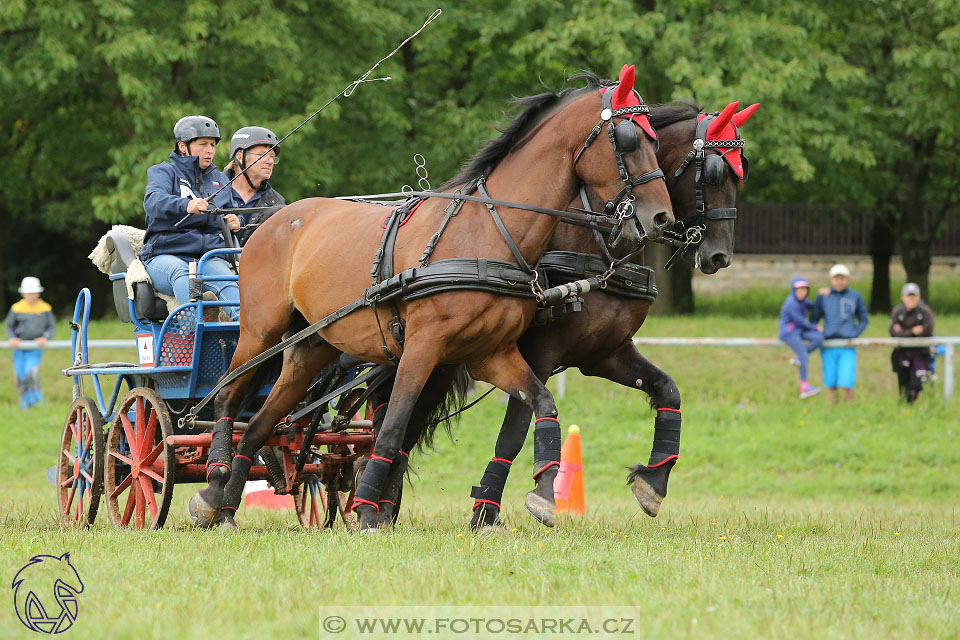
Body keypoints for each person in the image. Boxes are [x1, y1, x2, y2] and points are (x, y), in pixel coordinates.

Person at [141, 115, 240, 320]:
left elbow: (233, 212)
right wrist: (186, 205)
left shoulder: (220, 180)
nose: (210, 150)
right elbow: (153, 201)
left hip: (207, 256)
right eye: (203, 144)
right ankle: (200, 322)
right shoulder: (164, 172)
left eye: (212, 145)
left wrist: (236, 221)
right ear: (183, 146)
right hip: (166, 254)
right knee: (183, 274)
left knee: (227, 282)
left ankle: (247, 333)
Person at [812, 264, 868, 403]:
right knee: (830, 382)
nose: (839, 282)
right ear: (831, 280)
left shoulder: (854, 296)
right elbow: (814, 318)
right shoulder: (824, 296)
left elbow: (863, 318)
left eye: (842, 278)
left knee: (847, 381)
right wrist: (817, 328)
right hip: (828, 344)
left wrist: (855, 333)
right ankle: (832, 409)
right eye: (836, 279)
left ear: (847, 279)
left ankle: (848, 409)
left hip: (847, 345)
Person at [223, 126, 286, 246]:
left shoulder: (277, 203)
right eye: (263, 154)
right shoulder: (211, 189)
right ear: (240, 157)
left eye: (272, 156)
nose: (270, 161)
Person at [5, 277, 55, 410]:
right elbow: (9, 326)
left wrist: (45, 337)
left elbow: (51, 327)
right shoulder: (16, 308)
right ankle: (24, 401)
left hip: (34, 347)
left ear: (38, 293)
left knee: (31, 373)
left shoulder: (45, 308)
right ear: (23, 293)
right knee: (20, 375)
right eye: (28, 292)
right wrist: (12, 338)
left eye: (34, 292)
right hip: (19, 348)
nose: (31, 295)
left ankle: (36, 400)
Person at [778, 276, 823, 398]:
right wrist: (815, 327)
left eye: (804, 289)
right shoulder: (791, 303)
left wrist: (820, 296)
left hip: (799, 330)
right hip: (790, 332)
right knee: (804, 355)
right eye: (799, 289)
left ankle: (799, 357)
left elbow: (813, 306)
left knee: (818, 338)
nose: (802, 292)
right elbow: (799, 321)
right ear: (794, 290)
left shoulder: (803, 300)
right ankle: (804, 387)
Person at [889, 282, 934, 403]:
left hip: (920, 353)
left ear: (919, 297)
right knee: (903, 382)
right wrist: (913, 331)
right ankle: (905, 406)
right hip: (902, 353)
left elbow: (928, 331)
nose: (911, 299)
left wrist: (903, 332)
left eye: (914, 296)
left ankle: (912, 404)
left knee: (915, 384)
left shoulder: (925, 312)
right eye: (908, 296)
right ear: (902, 297)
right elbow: (893, 333)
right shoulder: (898, 312)